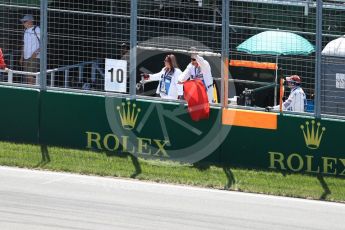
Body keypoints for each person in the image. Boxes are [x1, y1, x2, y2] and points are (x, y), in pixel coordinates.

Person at [19, 14, 40, 84]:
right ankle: (34, 87)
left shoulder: (37, 29)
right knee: (27, 76)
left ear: (30, 21)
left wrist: (36, 52)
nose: (23, 23)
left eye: (24, 21)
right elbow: (24, 45)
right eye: (23, 22)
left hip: (34, 57)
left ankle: (35, 89)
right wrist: (21, 57)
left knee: (30, 76)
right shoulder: (25, 31)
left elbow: (44, 42)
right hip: (26, 57)